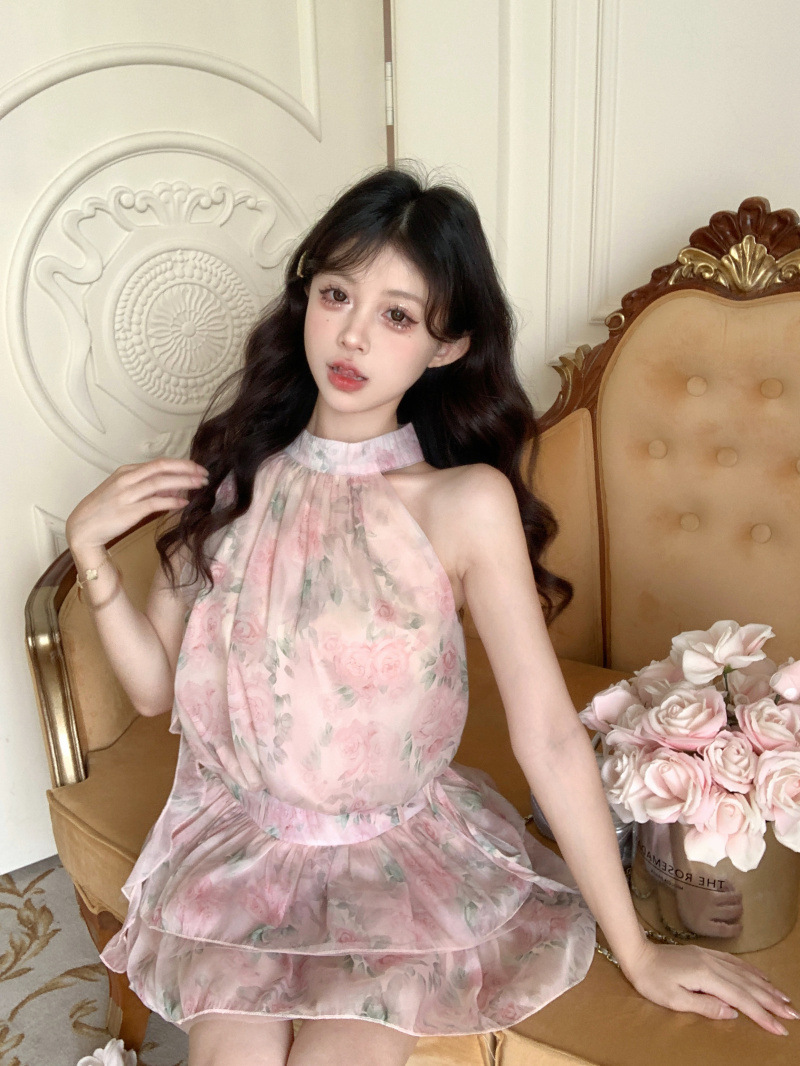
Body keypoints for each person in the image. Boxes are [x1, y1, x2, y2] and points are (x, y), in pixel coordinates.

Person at [66, 166, 797, 1066]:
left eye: (399, 316)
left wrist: (641, 954)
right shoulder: (234, 477)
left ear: (446, 347)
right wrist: (92, 554)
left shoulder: (463, 503)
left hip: (392, 860)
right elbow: (152, 691)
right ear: (306, 300)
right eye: (337, 295)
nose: (353, 336)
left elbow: (548, 735)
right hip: (248, 850)